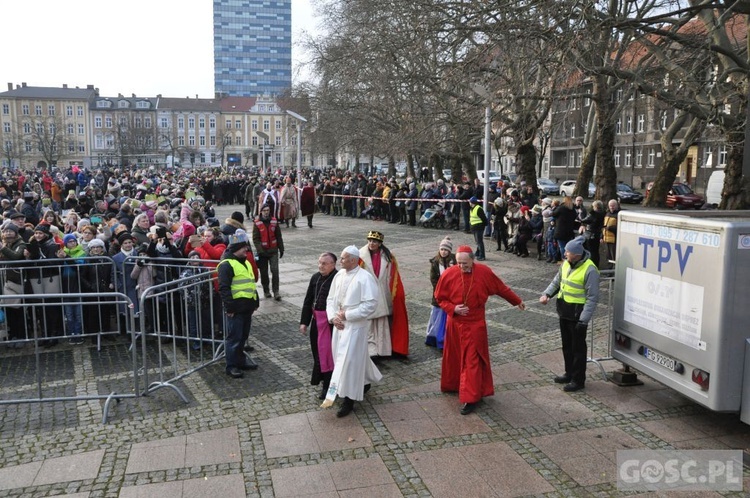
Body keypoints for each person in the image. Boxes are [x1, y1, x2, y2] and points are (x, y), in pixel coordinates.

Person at [434, 245, 526, 415]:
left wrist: (516, 300)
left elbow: (501, 288)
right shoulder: (449, 273)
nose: (462, 267)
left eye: (465, 263)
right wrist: (453, 309)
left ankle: (471, 396)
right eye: (459, 263)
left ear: (472, 260)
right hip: (455, 323)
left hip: (475, 324)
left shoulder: (483, 272)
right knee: (454, 357)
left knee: (473, 360)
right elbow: (440, 297)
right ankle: (453, 385)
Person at [322, 245, 383, 417]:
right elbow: (331, 299)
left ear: (353, 260)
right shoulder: (339, 275)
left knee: (349, 362)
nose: (340, 261)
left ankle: (348, 400)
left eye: (343, 258)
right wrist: (333, 317)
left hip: (355, 327)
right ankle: (364, 382)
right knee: (341, 358)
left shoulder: (365, 278)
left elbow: (370, 304)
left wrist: (348, 315)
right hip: (339, 326)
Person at [539, 236, 600, 392]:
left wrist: (583, 320)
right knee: (567, 346)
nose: (565, 253)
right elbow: (557, 281)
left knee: (578, 349)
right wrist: (547, 294)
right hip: (564, 311)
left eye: (568, 251)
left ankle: (578, 380)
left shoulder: (590, 269)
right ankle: (569, 373)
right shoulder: (566, 263)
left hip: (578, 316)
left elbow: (592, 298)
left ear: (577, 255)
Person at [358, 230, 409, 357]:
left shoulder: (388, 256)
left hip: (383, 292)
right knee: (369, 322)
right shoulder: (360, 256)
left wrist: (393, 293)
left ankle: (383, 350)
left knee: (382, 322)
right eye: (369, 241)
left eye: (374, 241)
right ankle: (370, 351)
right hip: (367, 292)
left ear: (380, 243)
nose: (371, 243)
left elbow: (392, 275)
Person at [217, 229, 260, 378]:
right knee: (234, 338)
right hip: (236, 308)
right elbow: (224, 288)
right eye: (244, 248)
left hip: (247, 306)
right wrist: (230, 307)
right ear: (236, 249)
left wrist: (255, 301)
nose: (247, 250)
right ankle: (232, 366)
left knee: (243, 337)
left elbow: (250, 283)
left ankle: (241, 361)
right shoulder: (226, 265)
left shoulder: (245, 262)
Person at [300, 252, 339, 399]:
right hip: (317, 322)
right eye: (319, 262)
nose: (320, 266)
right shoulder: (315, 277)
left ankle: (329, 386)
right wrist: (304, 322)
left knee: (329, 355)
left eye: (324, 263)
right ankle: (322, 380)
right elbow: (308, 300)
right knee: (318, 354)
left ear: (333, 265)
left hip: (330, 324)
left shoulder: (338, 278)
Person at [425, 237, 456, 350]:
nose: (443, 252)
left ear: (449, 251)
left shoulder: (454, 261)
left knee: (448, 317)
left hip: (451, 294)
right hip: (438, 293)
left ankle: (447, 337)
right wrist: (440, 289)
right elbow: (433, 279)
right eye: (442, 249)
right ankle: (432, 336)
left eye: (446, 250)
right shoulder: (435, 262)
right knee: (436, 315)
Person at [252, 203, 284, 300]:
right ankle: (266, 290)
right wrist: (260, 250)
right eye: (264, 210)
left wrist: (281, 248)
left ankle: (276, 291)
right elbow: (255, 238)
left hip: (273, 251)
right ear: (261, 211)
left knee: (275, 271)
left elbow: (278, 236)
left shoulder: (274, 221)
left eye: (268, 210)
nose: (266, 212)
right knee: (264, 272)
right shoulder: (257, 223)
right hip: (263, 252)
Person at [579, 200, 605, 268]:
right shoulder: (603, 213)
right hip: (597, 234)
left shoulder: (593, 214)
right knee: (595, 252)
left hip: (590, 235)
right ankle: (596, 265)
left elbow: (583, 220)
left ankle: (590, 265)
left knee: (590, 251)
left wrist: (580, 214)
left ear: (595, 206)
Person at [602, 199, 620, 269]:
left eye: (613, 206)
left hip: (614, 240)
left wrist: (610, 228)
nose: (612, 207)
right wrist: (601, 237)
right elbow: (604, 225)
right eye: (610, 206)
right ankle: (608, 271)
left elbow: (619, 227)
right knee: (607, 256)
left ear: (616, 206)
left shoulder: (618, 214)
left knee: (614, 257)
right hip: (606, 239)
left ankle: (614, 271)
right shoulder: (607, 213)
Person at [468, 197, 487, 261]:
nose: (469, 203)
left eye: (470, 202)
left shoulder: (478, 209)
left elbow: (484, 218)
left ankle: (482, 255)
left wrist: (483, 225)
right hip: (474, 227)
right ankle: (478, 252)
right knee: (477, 241)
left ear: (472, 202)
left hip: (479, 227)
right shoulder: (472, 208)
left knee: (479, 242)